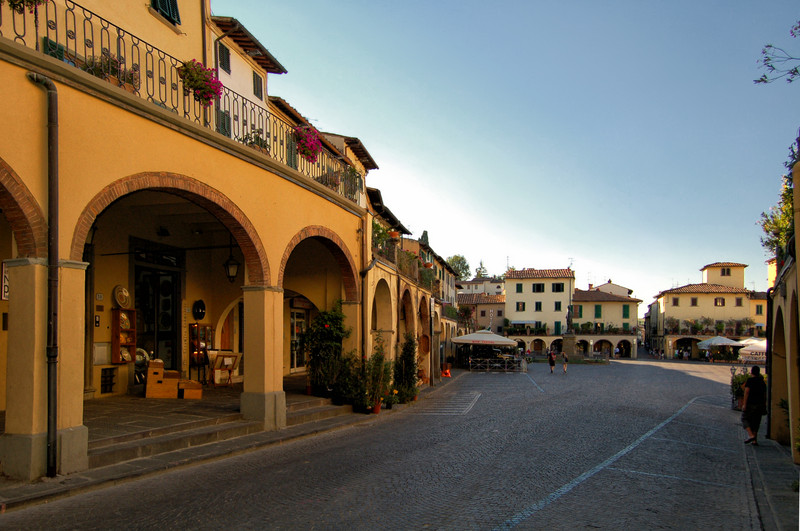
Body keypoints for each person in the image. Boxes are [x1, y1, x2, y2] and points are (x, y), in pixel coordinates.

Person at [742, 365, 767, 445]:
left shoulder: (750, 380)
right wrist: (764, 404)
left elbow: (747, 392)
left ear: (752, 372)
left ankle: (751, 435)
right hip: (760, 404)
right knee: (756, 421)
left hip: (750, 403)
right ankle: (754, 440)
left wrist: (744, 404)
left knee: (745, 419)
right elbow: (765, 394)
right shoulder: (762, 382)